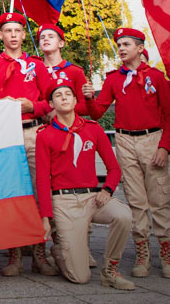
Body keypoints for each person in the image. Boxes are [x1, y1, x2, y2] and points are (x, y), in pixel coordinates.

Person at [85, 27, 170, 279]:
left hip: (153, 138)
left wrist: (164, 147)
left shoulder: (156, 78)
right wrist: (90, 98)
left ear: (139, 48)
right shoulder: (114, 78)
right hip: (125, 140)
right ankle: (142, 253)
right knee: (136, 200)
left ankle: (167, 254)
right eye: (119, 45)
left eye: (127, 44)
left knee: (160, 199)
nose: (122, 48)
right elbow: (97, 113)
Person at [0, 12, 57, 277]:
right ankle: (14, 255)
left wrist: (31, 106)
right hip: (5, 136)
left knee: (38, 192)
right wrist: (4, 106)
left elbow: (52, 100)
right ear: (0, 36)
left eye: (17, 31)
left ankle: (39, 254)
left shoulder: (37, 65)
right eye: (8, 31)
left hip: (33, 132)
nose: (13, 35)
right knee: (11, 194)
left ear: (24, 35)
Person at [35, 82, 134, 290]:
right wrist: (45, 218)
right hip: (65, 202)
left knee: (123, 215)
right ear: (51, 103)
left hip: (93, 197)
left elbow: (114, 169)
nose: (64, 97)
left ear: (75, 100)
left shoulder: (93, 129)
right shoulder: (44, 135)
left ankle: (111, 270)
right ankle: (61, 252)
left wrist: (107, 190)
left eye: (68, 94)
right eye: (58, 95)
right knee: (79, 277)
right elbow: (42, 179)